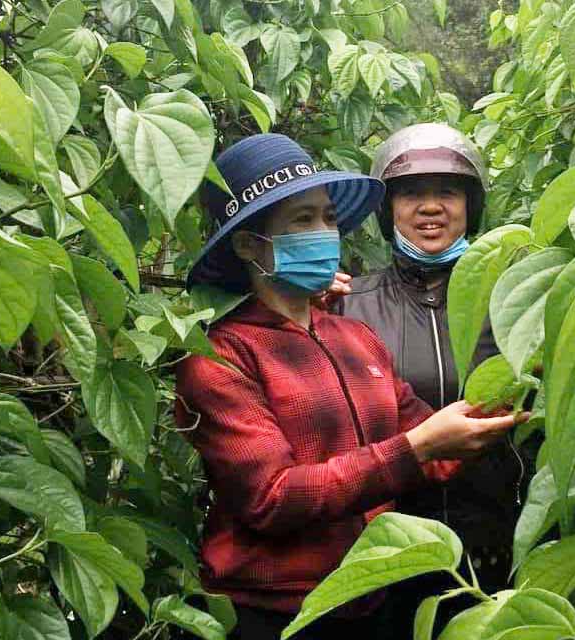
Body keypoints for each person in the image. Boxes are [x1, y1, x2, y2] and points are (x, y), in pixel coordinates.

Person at [175, 133, 528, 640]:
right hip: (274, 612)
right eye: (302, 220)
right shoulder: (223, 355)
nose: (324, 232)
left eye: (329, 217)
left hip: (367, 602)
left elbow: (435, 442)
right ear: (250, 245)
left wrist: (523, 398)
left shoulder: (352, 336)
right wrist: (416, 447)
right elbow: (272, 498)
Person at [335, 123, 531, 597]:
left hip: (501, 552)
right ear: (387, 211)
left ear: (471, 205)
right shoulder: (345, 304)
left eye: (447, 191)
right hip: (385, 566)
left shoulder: (516, 299)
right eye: (410, 194)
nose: (429, 207)